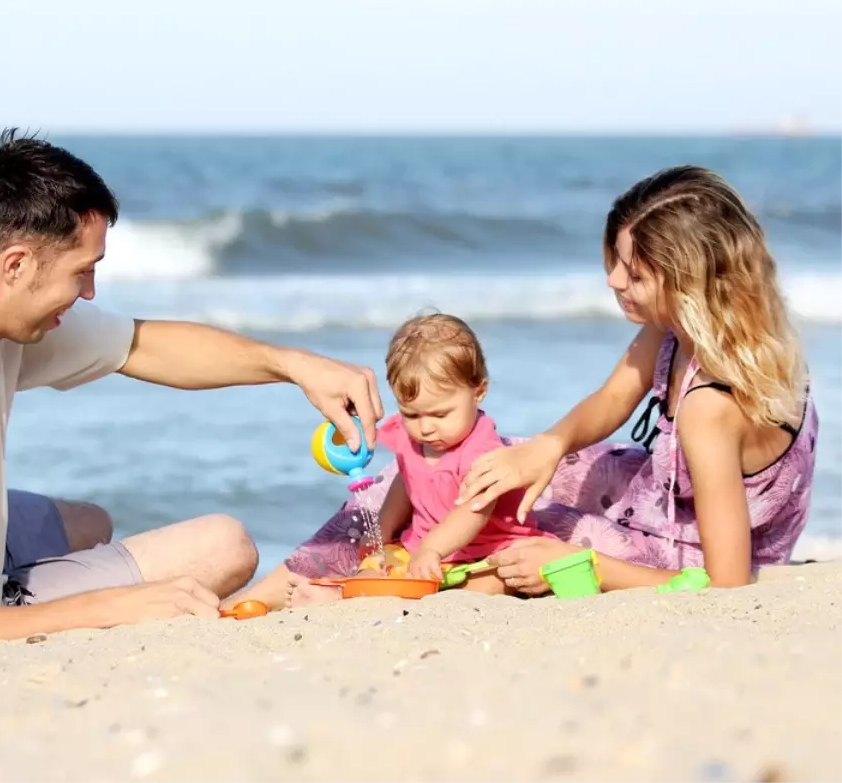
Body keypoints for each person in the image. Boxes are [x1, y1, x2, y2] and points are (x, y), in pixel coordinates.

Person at [0, 128, 383, 642]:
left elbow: (143, 345)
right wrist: (119, 608)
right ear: (15, 263)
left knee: (88, 523)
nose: (88, 293)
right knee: (224, 548)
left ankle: (38, 584)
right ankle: (23, 600)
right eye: (81, 273)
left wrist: (295, 365)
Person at [271, 165, 818, 598]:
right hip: (659, 499)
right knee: (471, 465)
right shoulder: (677, 328)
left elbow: (728, 582)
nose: (613, 280)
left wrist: (579, 565)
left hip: (691, 552)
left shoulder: (711, 407)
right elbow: (613, 398)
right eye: (615, 261)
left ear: (691, 282)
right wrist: (549, 448)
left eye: (634, 273)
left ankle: (357, 577)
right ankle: (337, 560)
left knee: (530, 532)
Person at [231, 314, 554, 609]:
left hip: (488, 548)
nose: (426, 427)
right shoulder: (415, 439)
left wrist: (434, 550)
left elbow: (474, 511)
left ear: (478, 391)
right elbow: (405, 483)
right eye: (411, 414)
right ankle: (337, 595)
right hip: (422, 547)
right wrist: (383, 532)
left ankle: (352, 600)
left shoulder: (481, 449)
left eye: (441, 414)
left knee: (494, 583)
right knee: (375, 568)